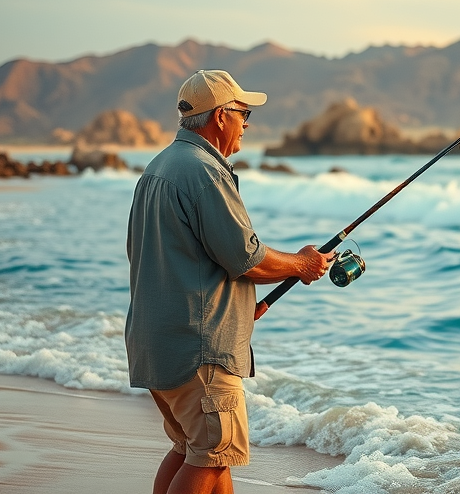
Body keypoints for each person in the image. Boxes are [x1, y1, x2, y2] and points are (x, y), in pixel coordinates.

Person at [125, 69, 333, 494]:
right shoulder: (206, 173)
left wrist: (234, 305)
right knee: (211, 454)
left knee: (194, 451)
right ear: (220, 117)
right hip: (197, 350)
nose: (248, 123)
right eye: (242, 112)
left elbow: (168, 260)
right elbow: (247, 258)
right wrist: (301, 264)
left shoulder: (158, 167)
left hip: (156, 344)